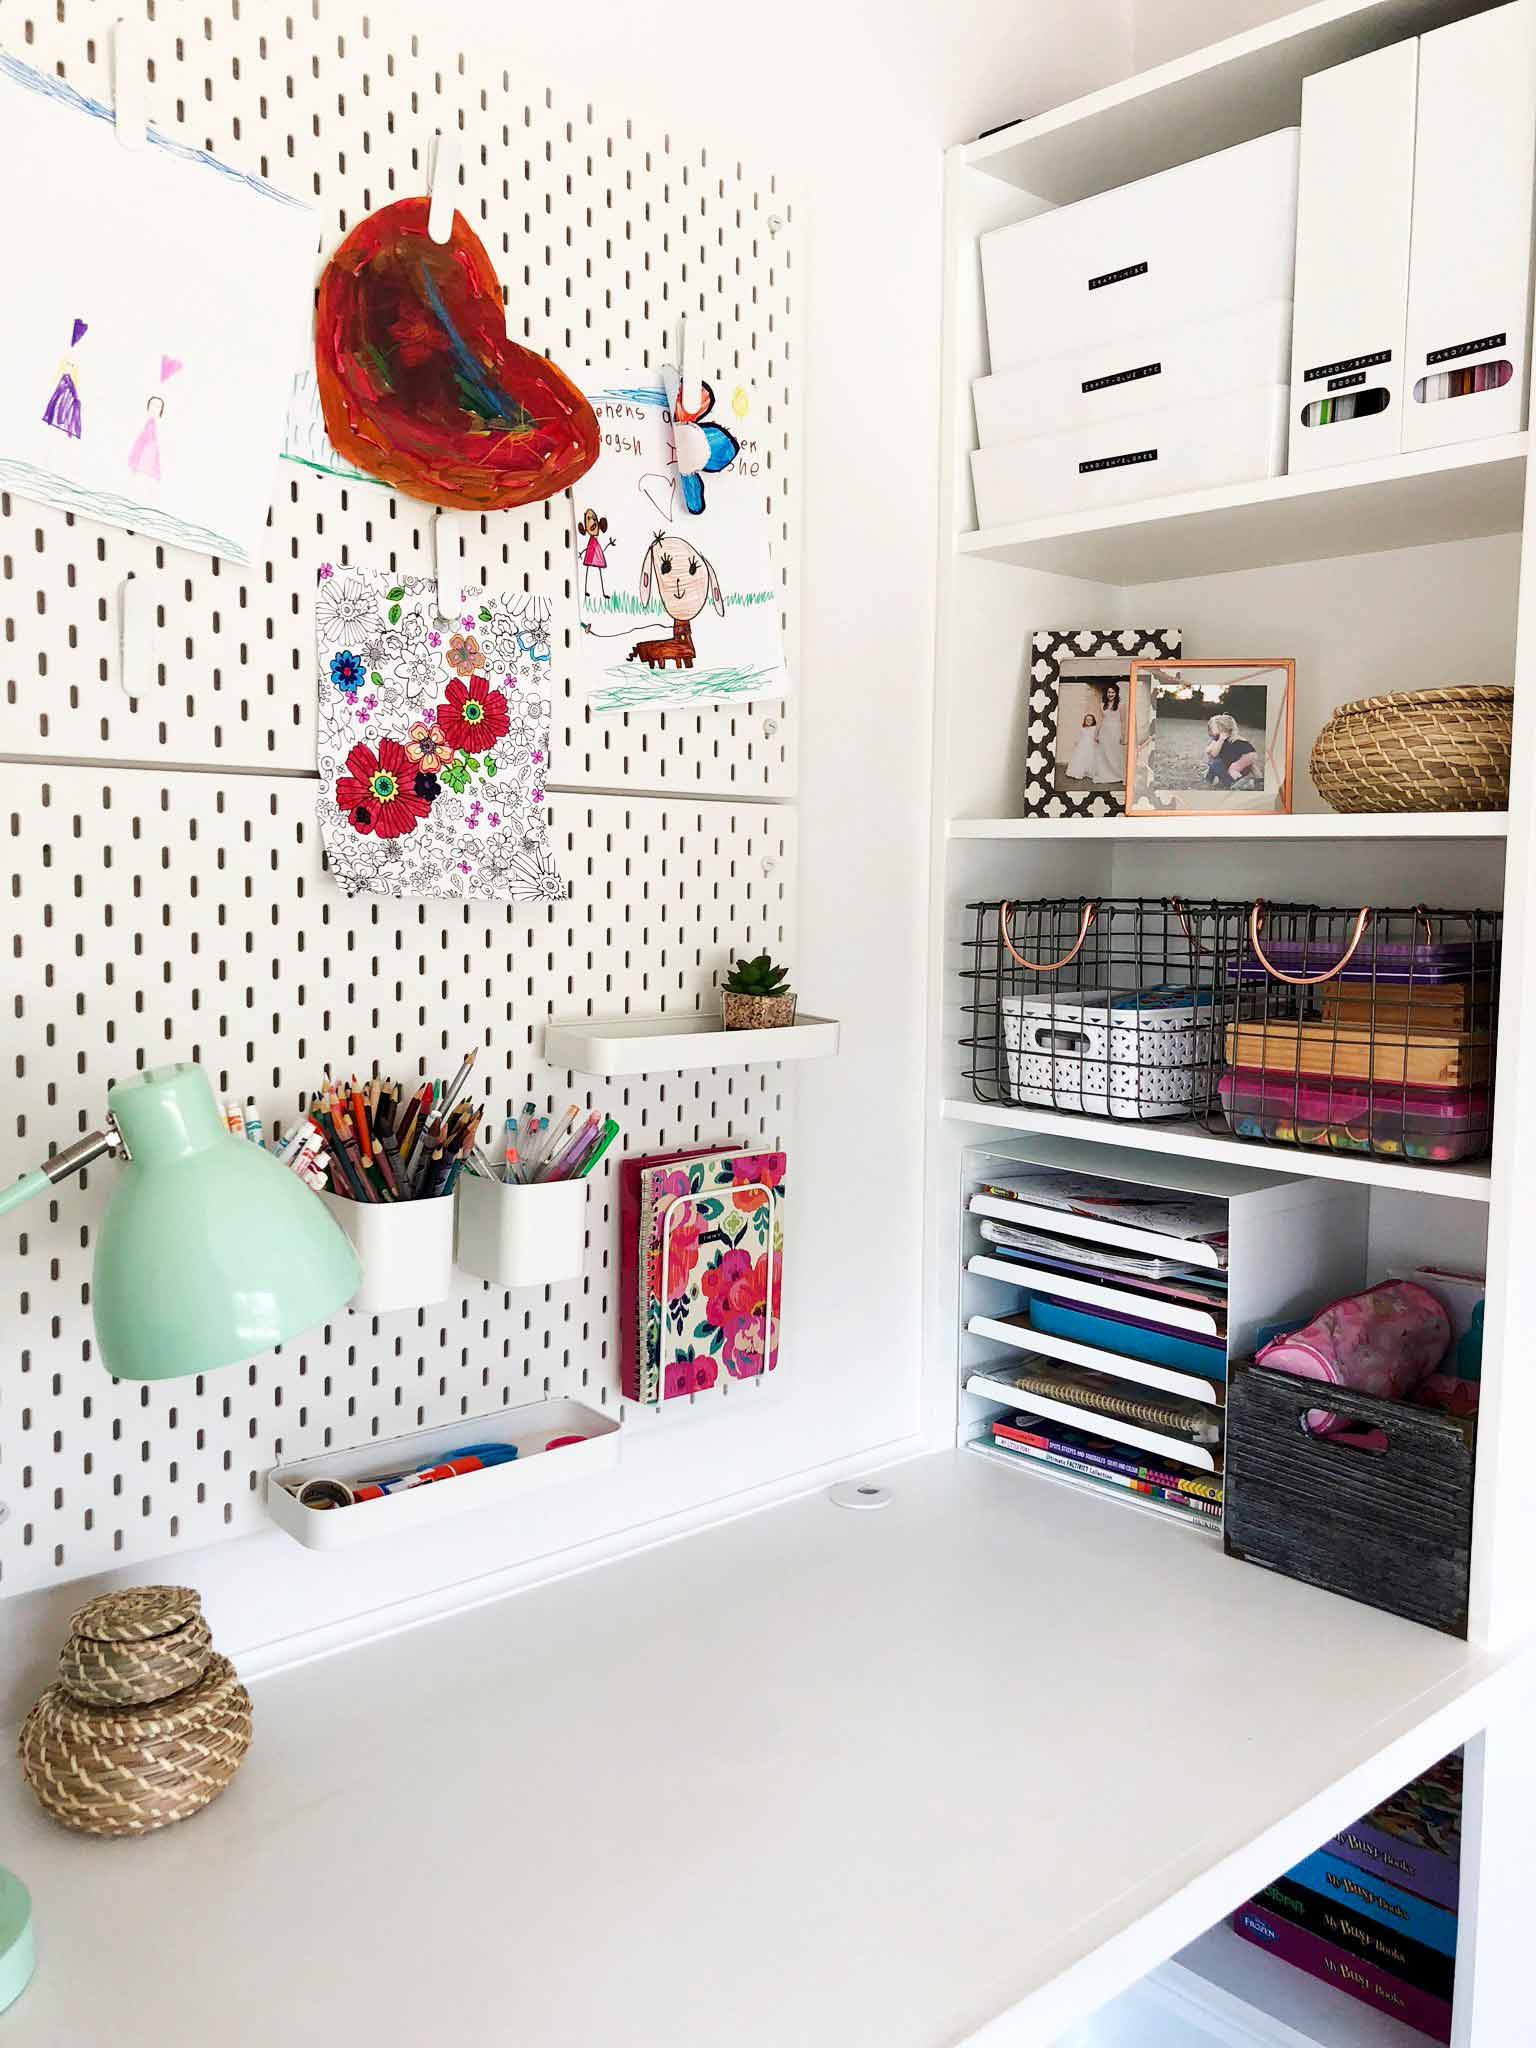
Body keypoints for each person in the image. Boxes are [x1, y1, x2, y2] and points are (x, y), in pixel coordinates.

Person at [1203, 713, 1259, 787]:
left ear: (1221, 727)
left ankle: (1241, 782)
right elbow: (1209, 749)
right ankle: (1259, 779)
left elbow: (1214, 754)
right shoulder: (1231, 736)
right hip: (1250, 753)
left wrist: (1220, 740)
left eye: (1213, 727)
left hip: (1246, 754)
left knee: (1233, 768)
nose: (1211, 729)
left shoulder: (1222, 736)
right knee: (1249, 765)